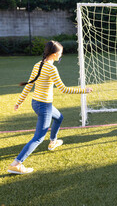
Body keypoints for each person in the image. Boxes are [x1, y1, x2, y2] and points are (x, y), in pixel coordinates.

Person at [8, 41, 93, 174]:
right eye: (60, 54)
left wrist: (19, 102)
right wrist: (84, 90)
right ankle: (16, 164)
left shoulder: (38, 64)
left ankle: (53, 141)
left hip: (37, 103)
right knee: (38, 137)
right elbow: (63, 89)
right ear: (54, 54)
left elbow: (29, 85)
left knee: (59, 118)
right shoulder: (51, 68)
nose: (61, 56)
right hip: (43, 106)